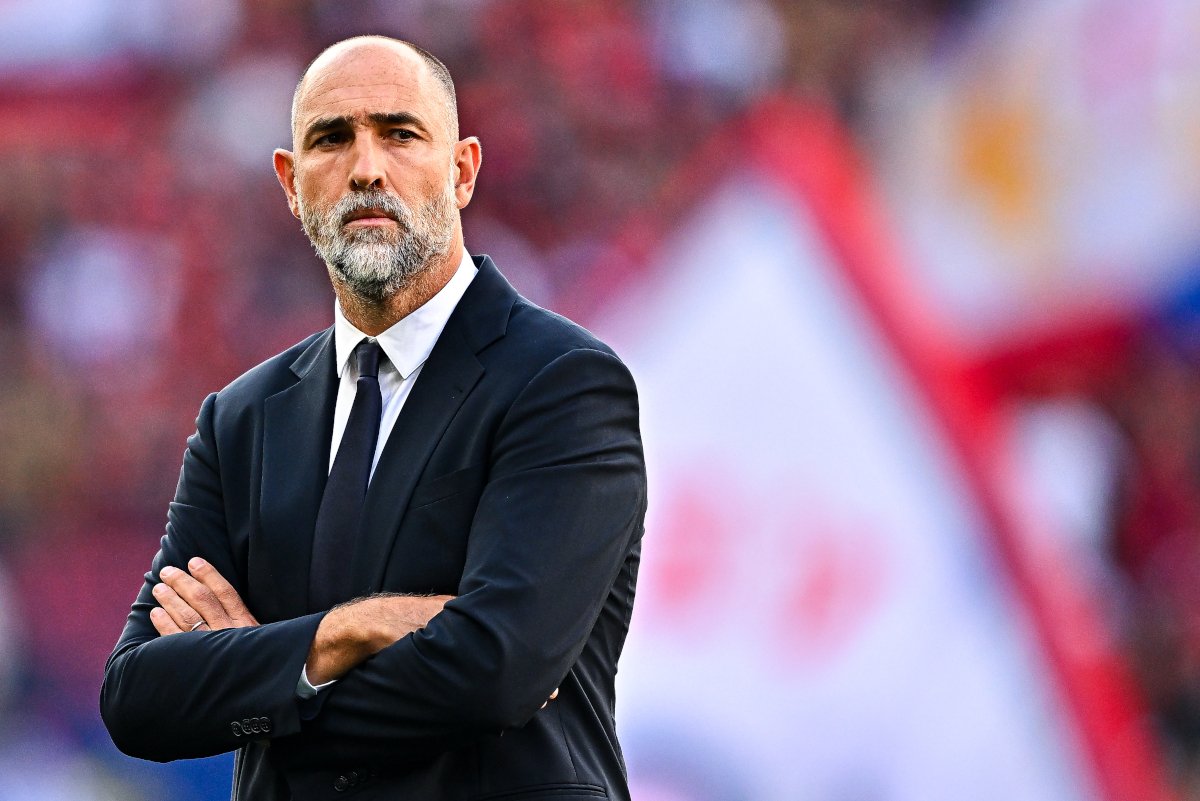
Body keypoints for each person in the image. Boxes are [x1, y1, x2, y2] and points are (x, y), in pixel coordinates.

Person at [100, 36, 646, 801]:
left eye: (399, 133)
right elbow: (138, 698)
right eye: (331, 138)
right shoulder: (241, 420)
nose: (365, 167)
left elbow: (495, 670)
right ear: (291, 184)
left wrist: (259, 672)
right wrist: (344, 632)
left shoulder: (562, 384)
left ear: (462, 171)